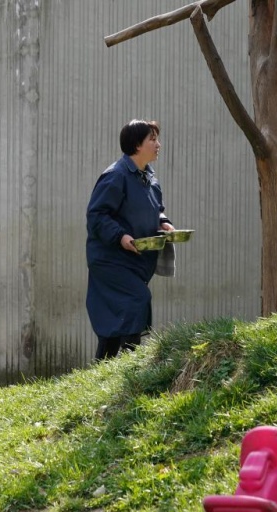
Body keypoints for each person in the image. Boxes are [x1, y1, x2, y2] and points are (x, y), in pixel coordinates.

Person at [85, 119, 175, 361]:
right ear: (137, 145)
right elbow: (97, 215)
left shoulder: (150, 178)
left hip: (135, 260)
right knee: (137, 299)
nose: (158, 144)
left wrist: (163, 222)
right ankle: (129, 365)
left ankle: (103, 369)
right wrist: (120, 236)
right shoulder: (116, 176)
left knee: (118, 316)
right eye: (152, 139)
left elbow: (156, 209)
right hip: (111, 259)